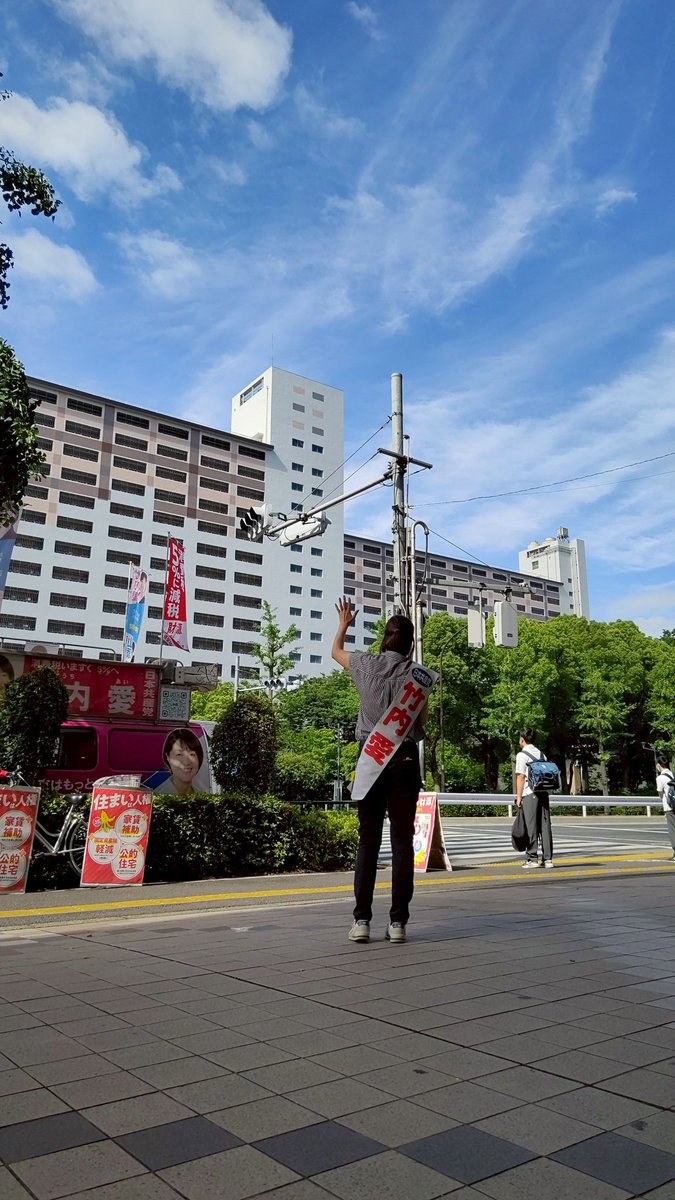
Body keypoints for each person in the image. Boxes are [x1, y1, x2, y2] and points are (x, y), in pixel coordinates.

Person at [332, 597, 428, 944]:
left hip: (371, 758)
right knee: (402, 841)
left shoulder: (364, 664)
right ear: (410, 644)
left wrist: (344, 624)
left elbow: (336, 652)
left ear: (384, 639)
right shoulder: (418, 677)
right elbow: (420, 725)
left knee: (368, 840)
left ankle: (361, 921)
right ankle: (398, 922)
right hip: (404, 761)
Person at [515, 729, 553, 869]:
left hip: (530, 793)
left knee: (531, 826)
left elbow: (521, 777)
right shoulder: (541, 754)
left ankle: (532, 859)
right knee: (545, 826)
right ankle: (548, 859)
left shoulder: (522, 755)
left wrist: (519, 797)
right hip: (544, 793)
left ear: (522, 739)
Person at [154, 728, 204, 796]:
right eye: (179, 754)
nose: (186, 762)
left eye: (192, 754)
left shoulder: (202, 795)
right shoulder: (159, 796)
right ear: (168, 757)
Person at [656, 756, 675, 862]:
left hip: (670, 807)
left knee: (673, 830)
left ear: (659, 765)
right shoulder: (673, 774)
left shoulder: (660, 778)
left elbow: (660, 794)